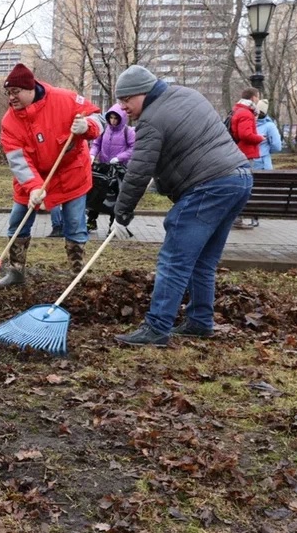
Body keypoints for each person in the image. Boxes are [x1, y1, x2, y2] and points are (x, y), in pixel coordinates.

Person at [110, 64, 252, 347]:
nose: (122, 106)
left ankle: (157, 328)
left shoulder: (151, 118)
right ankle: (200, 322)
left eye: (127, 99)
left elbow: (139, 169)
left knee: (174, 259)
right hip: (239, 179)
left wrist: (122, 210)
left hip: (208, 186)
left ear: (143, 93)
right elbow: (183, 148)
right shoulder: (187, 95)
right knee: (202, 260)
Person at [0, 63, 103, 286]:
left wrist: (87, 126)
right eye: (8, 93)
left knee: (74, 223)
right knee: (17, 220)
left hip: (71, 175)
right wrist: (33, 186)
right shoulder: (9, 122)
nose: (11, 98)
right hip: (32, 178)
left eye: (16, 92)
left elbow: (99, 120)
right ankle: (15, 272)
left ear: (30, 88)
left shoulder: (64, 99)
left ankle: (77, 274)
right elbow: (18, 161)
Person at [86, 103, 136, 230]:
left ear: (121, 118)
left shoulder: (128, 131)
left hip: (119, 170)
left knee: (115, 196)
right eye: (111, 118)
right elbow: (96, 144)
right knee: (97, 194)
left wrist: (119, 158)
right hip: (104, 168)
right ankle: (91, 220)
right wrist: (91, 155)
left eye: (116, 118)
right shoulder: (105, 130)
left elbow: (133, 148)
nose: (113, 121)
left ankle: (112, 223)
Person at [230, 88, 265, 229]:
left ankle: (236, 218)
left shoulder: (239, 110)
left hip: (240, 153)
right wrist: (260, 138)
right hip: (245, 153)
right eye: (257, 97)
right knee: (244, 187)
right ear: (253, 97)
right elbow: (245, 135)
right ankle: (237, 218)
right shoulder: (246, 113)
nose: (258, 100)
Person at [251, 99, 282, 170]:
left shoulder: (247, 123)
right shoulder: (270, 126)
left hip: (246, 161)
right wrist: (266, 150)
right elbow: (277, 146)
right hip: (263, 162)